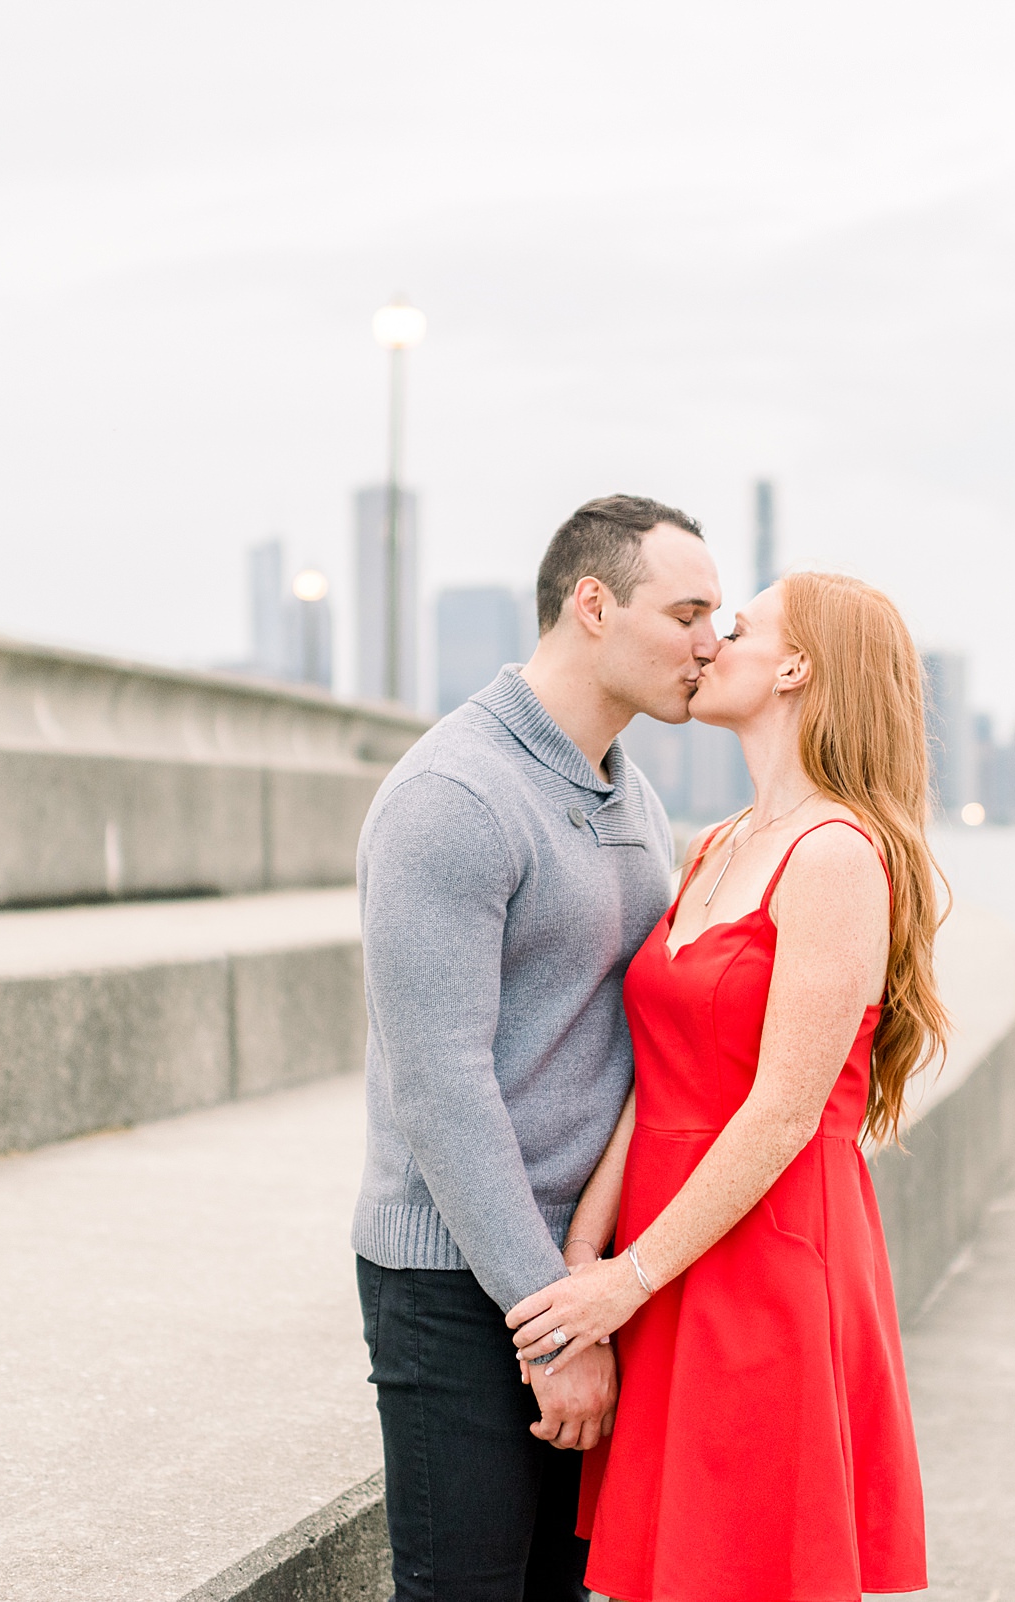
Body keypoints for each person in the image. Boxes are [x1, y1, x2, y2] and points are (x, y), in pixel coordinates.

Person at [508, 569, 947, 1601]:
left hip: (764, 1264)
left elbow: (787, 1111)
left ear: (795, 668)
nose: (709, 642)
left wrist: (627, 1278)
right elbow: (653, 1074)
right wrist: (587, 1248)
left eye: (737, 626)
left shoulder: (838, 855)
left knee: (740, 1571)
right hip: (666, 1259)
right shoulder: (714, 844)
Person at [352, 494, 723, 1602]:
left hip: (581, 1271)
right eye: (689, 611)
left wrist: (595, 1279)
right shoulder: (453, 796)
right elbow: (440, 1087)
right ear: (593, 605)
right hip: (458, 1281)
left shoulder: (633, 794)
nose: (712, 642)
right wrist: (555, 1326)